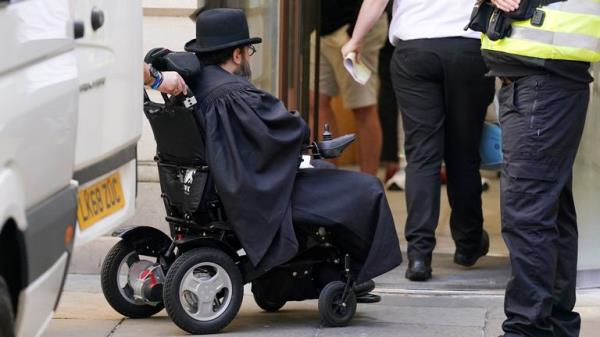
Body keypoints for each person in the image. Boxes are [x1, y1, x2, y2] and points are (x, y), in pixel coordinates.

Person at [181, 8, 402, 283]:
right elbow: (289, 131)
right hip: (260, 193)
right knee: (366, 189)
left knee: (324, 171)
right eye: (248, 51)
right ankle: (351, 274)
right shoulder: (235, 93)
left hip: (232, 185)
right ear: (237, 54)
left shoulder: (195, 85)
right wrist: (297, 123)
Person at [342, 0, 495, 281]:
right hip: (468, 48)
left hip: (415, 50)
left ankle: (419, 255)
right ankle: (468, 243)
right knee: (464, 151)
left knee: (422, 155)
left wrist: (356, 39)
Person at [482, 1, 598, 336]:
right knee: (549, 208)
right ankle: (554, 323)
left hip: (544, 81)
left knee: (528, 208)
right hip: (542, 79)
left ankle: (528, 327)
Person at [311, 0, 388, 175]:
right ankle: (327, 178)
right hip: (321, 27)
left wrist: (356, 33)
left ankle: (368, 185)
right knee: (315, 102)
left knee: (363, 106)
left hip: (355, 28)